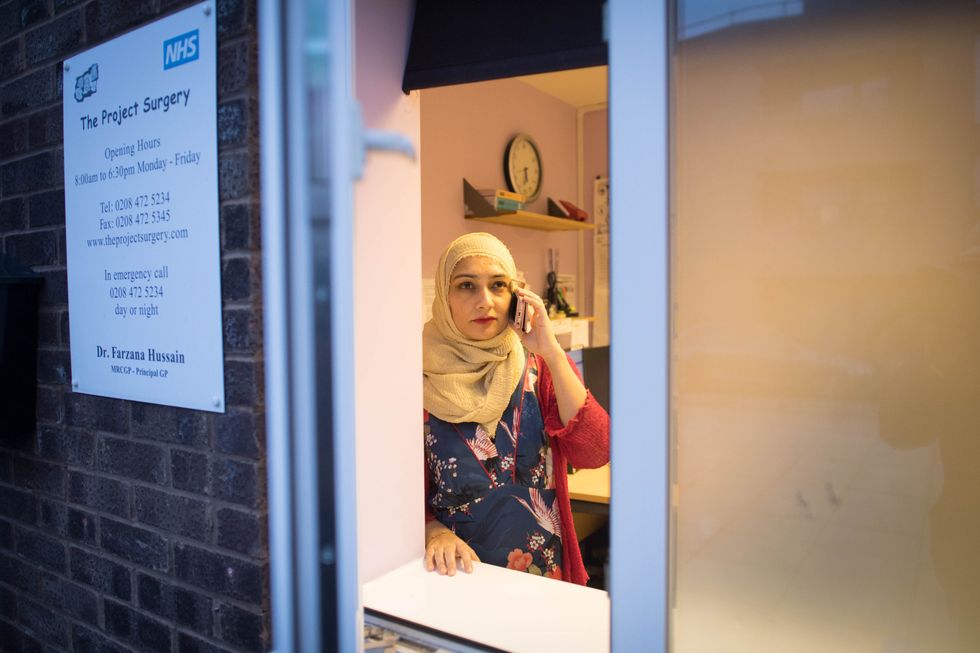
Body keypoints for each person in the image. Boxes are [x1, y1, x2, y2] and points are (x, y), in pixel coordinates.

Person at [422, 232, 610, 585]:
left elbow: (596, 451)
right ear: (443, 295)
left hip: (546, 581)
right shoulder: (418, 374)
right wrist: (432, 530)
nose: (485, 301)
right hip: (456, 581)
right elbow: (394, 492)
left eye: (498, 285)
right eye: (466, 286)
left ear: (517, 296)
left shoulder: (543, 368)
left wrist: (552, 350)